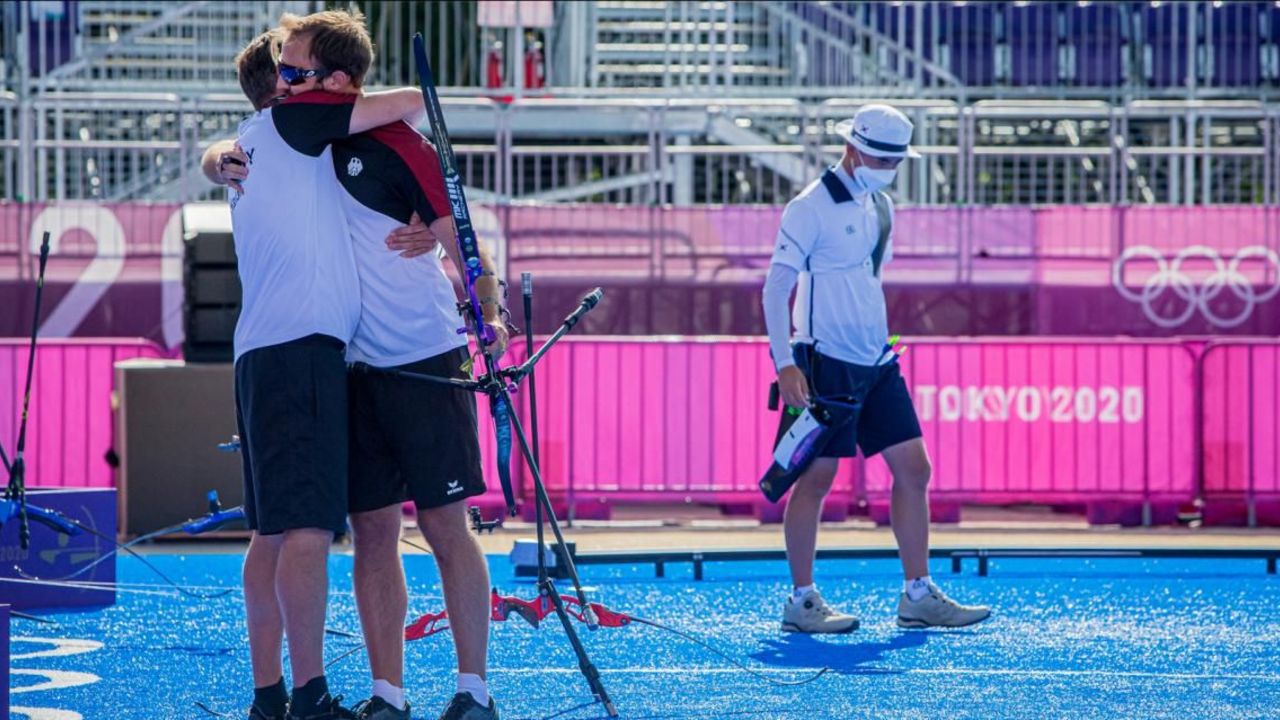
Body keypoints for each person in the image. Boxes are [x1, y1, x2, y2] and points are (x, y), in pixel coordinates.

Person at [207, 11, 506, 720]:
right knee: (372, 532)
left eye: (294, 72)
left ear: (337, 82)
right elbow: (238, 142)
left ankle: (473, 691)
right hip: (350, 370)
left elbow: (464, 244)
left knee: (444, 525)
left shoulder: (400, 144)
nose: (281, 85)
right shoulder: (290, 139)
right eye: (278, 74)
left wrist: (488, 313)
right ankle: (387, 695)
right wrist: (215, 153)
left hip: (424, 356)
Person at [762, 103, 991, 633]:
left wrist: (876, 345)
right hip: (823, 362)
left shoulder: (881, 206)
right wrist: (784, 364)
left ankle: (917, 593)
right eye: (879, 155)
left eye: (895, 158)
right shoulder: (809, 206)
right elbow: (776, 288)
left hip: (878, 361)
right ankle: (801, 600)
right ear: (852, 145)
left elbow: (866, 284)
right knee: (815, 478)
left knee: (915, 470)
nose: (887, 165)